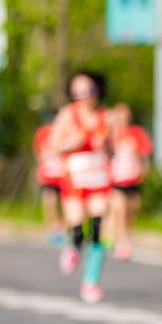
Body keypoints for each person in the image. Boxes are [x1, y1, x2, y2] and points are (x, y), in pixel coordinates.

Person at [52, 72, 114, 303]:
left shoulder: (105, 117)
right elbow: (53, 145)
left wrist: (105, 145)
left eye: (87, 91)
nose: (83, 97)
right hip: (75, 182)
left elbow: (112, 152)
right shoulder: (68, 115)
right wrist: (72, 143)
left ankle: (90, 282)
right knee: (78, 230)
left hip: (98, 180)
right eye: (77, 93)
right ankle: (74, 247)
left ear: (96, 92)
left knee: (98, 229)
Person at [106, 103, 152, 261]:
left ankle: (120, 236)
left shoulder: (137, 133)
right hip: (115, 179)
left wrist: (144, 169)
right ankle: (120, 241)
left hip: (133, 178)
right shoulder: (111, 135)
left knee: (131, 209)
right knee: (119, 208)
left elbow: (145, 154)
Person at [33, 122, 69, 246]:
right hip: (48, 174)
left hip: (64, 174)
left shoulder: (67, 130)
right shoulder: (42, 133)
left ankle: (64, 230)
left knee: (64, 205)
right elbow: (38, 153)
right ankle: (52, 229)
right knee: (49, 202)